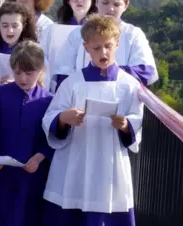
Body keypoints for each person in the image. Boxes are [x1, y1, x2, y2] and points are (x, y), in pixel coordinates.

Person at [42, 15, 143, 226]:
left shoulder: (129, 85)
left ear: (117, 43)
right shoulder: (72, 83)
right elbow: (50, 116)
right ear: (86, 48)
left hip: (110, 162)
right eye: (96, 48)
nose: (103, 53)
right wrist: (63, 118)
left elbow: (137, 116)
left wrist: (126, 125)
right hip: (75, 160)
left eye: (108, 46)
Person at [0, 40, 54, 226]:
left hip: (33, 172)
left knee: (29, 215)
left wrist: (39, 157)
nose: (23, 78)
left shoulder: (49, 101)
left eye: (29, 73)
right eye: (18, 72)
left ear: (41, 70)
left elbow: (53, 136)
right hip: (1, 170)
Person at [52, 0, 158, 88]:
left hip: (120, 97)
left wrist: (106, 72)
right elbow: (63, 72)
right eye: (105, 3)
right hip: (81, 97)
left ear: (126, 5)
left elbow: (146, 71)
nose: (110, 9)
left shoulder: (133, 34)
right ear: (97, 2)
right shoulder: (77, 34)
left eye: (116, 4)